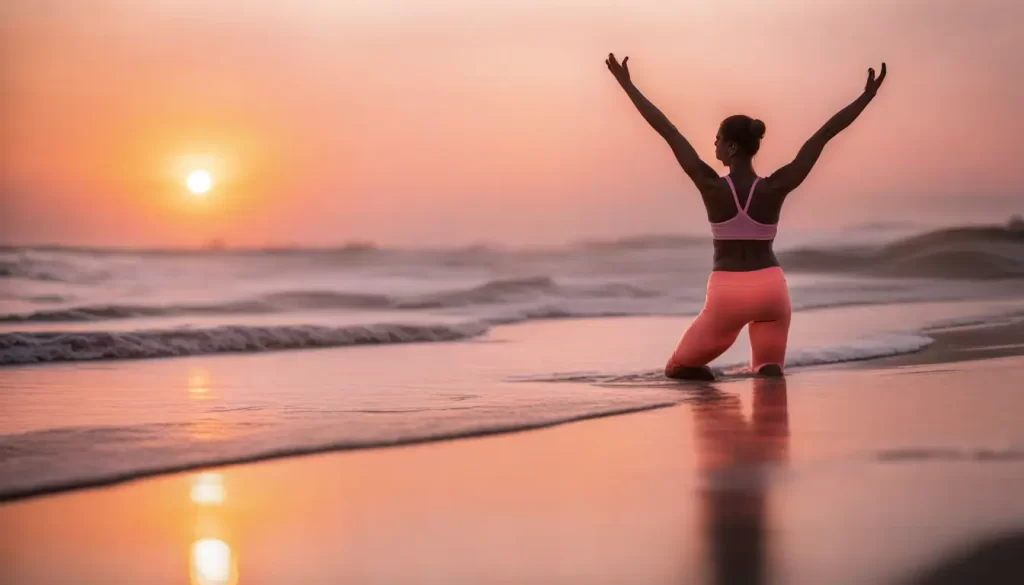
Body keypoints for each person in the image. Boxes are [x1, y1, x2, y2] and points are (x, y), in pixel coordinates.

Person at [605, 53, 887, 380]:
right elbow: (823, 135)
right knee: (768, 372)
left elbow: (667, 130)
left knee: (679, 368)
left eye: (718, 140)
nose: (714, 144)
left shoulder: (710, 185)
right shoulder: (775, 187)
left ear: (733, 148)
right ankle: (765, 416)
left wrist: (627, 86)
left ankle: (719, 403)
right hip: (771, 290)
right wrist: (866, 97)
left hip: (727, 294)